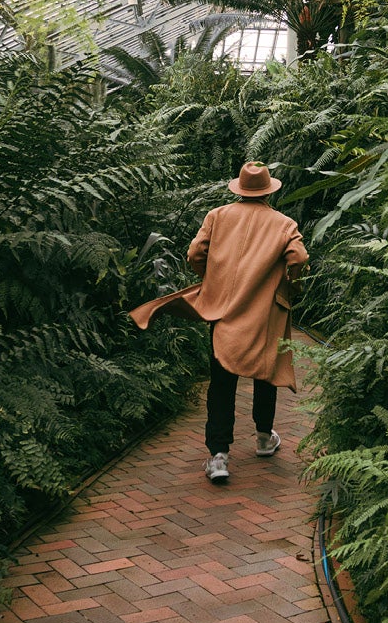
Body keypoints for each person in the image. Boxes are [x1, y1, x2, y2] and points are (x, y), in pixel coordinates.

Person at [129, 162, 309, 485]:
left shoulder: (217, 216)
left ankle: (219, 457)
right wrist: (289, 286)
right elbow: (299, 259)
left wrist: (213, 281)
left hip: (223, 311)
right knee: (265, 372)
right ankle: (265, 439)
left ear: (239, 189)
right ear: (269, 190)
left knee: (221, 381)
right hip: (264, 312)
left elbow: (195, 253)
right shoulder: (284, 224)